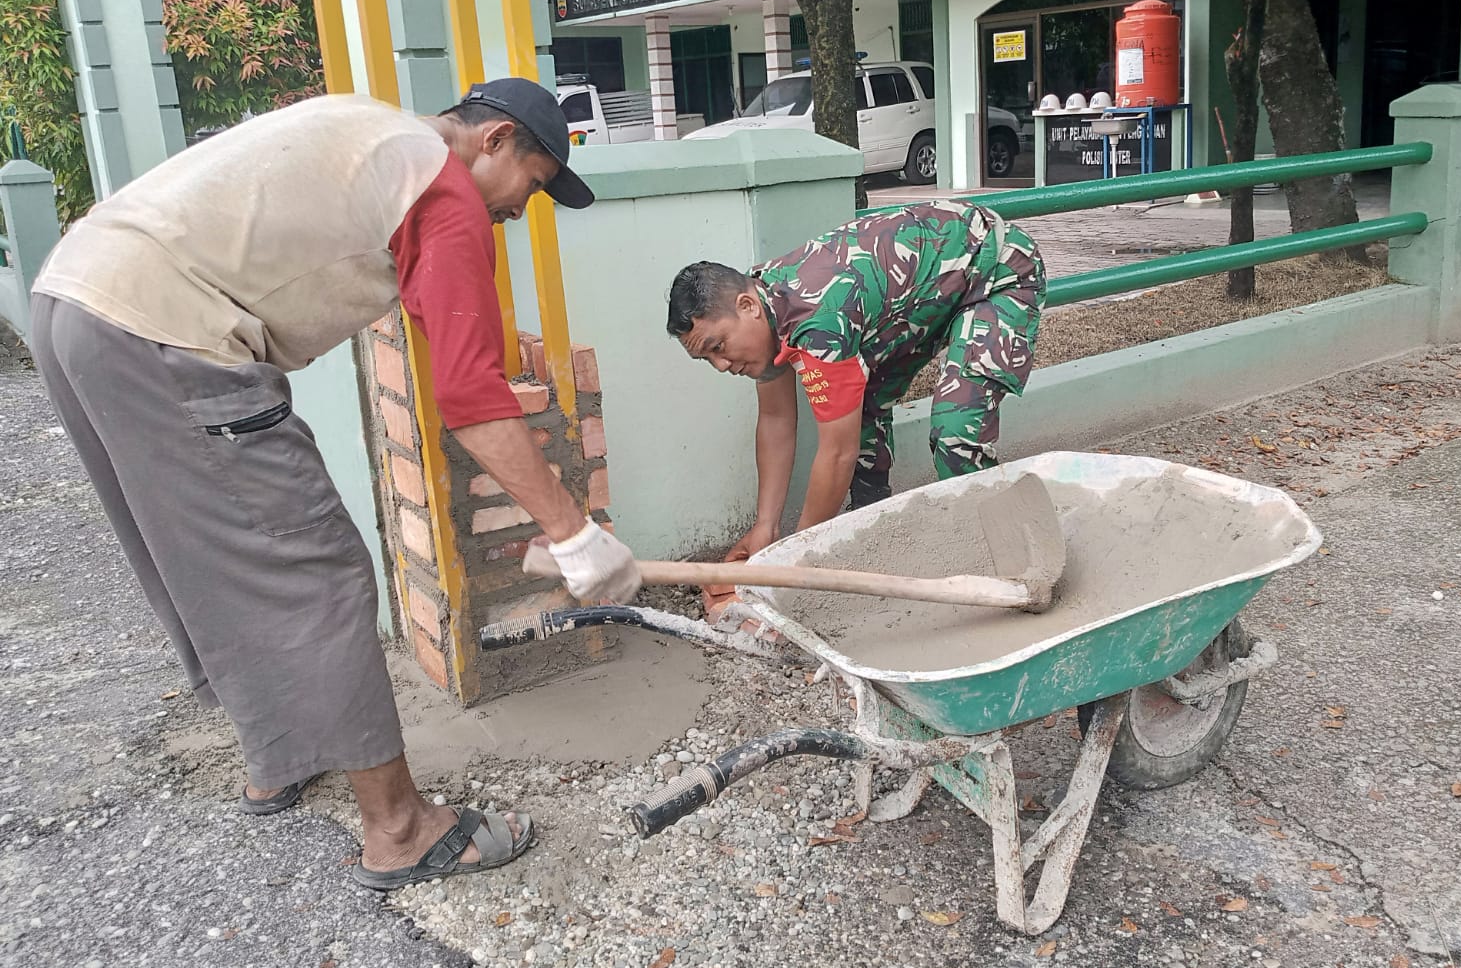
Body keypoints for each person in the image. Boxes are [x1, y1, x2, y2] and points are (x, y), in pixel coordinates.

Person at [30, 78, 641, 890]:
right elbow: (472, 397)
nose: (519, 211)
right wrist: (575, 532)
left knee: (203, 549)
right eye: (530, 186)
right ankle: (401, 830)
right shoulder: (444, 190)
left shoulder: (374, 126)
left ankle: (275, 759)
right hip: (163, 330)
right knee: (315, 568)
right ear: (494, 141)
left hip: (75, 296)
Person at [667, 199, 1043, 561]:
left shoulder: (817, 321)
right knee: (857, 412)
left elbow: (836, 454)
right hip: (930, 292)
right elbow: (777, 421)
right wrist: (765, 526)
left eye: (718, 346)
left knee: (956, 433)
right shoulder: (766, 310)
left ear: (746, 307)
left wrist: (795, 555)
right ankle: (872, 530)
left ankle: (1019, 551)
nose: (720, 365)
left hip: (998, 270)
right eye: (707, 359)